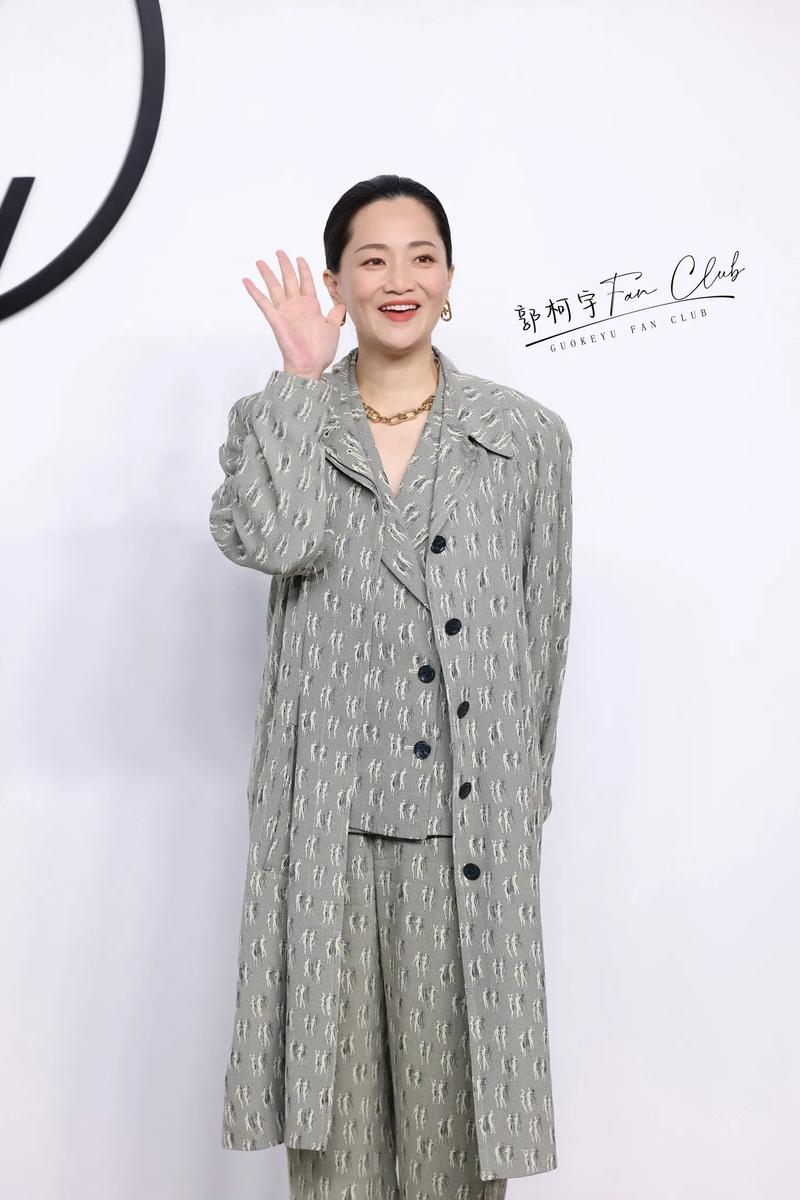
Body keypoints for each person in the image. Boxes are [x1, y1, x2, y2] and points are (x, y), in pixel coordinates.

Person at [210, 175, 573, 1199]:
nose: (398, 278)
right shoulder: (276, 420)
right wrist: (297, 377)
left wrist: (515, 806)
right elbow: (274, 540)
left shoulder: (525, 436)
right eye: (371, 259)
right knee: (335, 1146)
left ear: (450, 279)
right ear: (336, 284)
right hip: (325, 824)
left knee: (462, 1133)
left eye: (421, 256)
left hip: (466, 831)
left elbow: (542, 638)